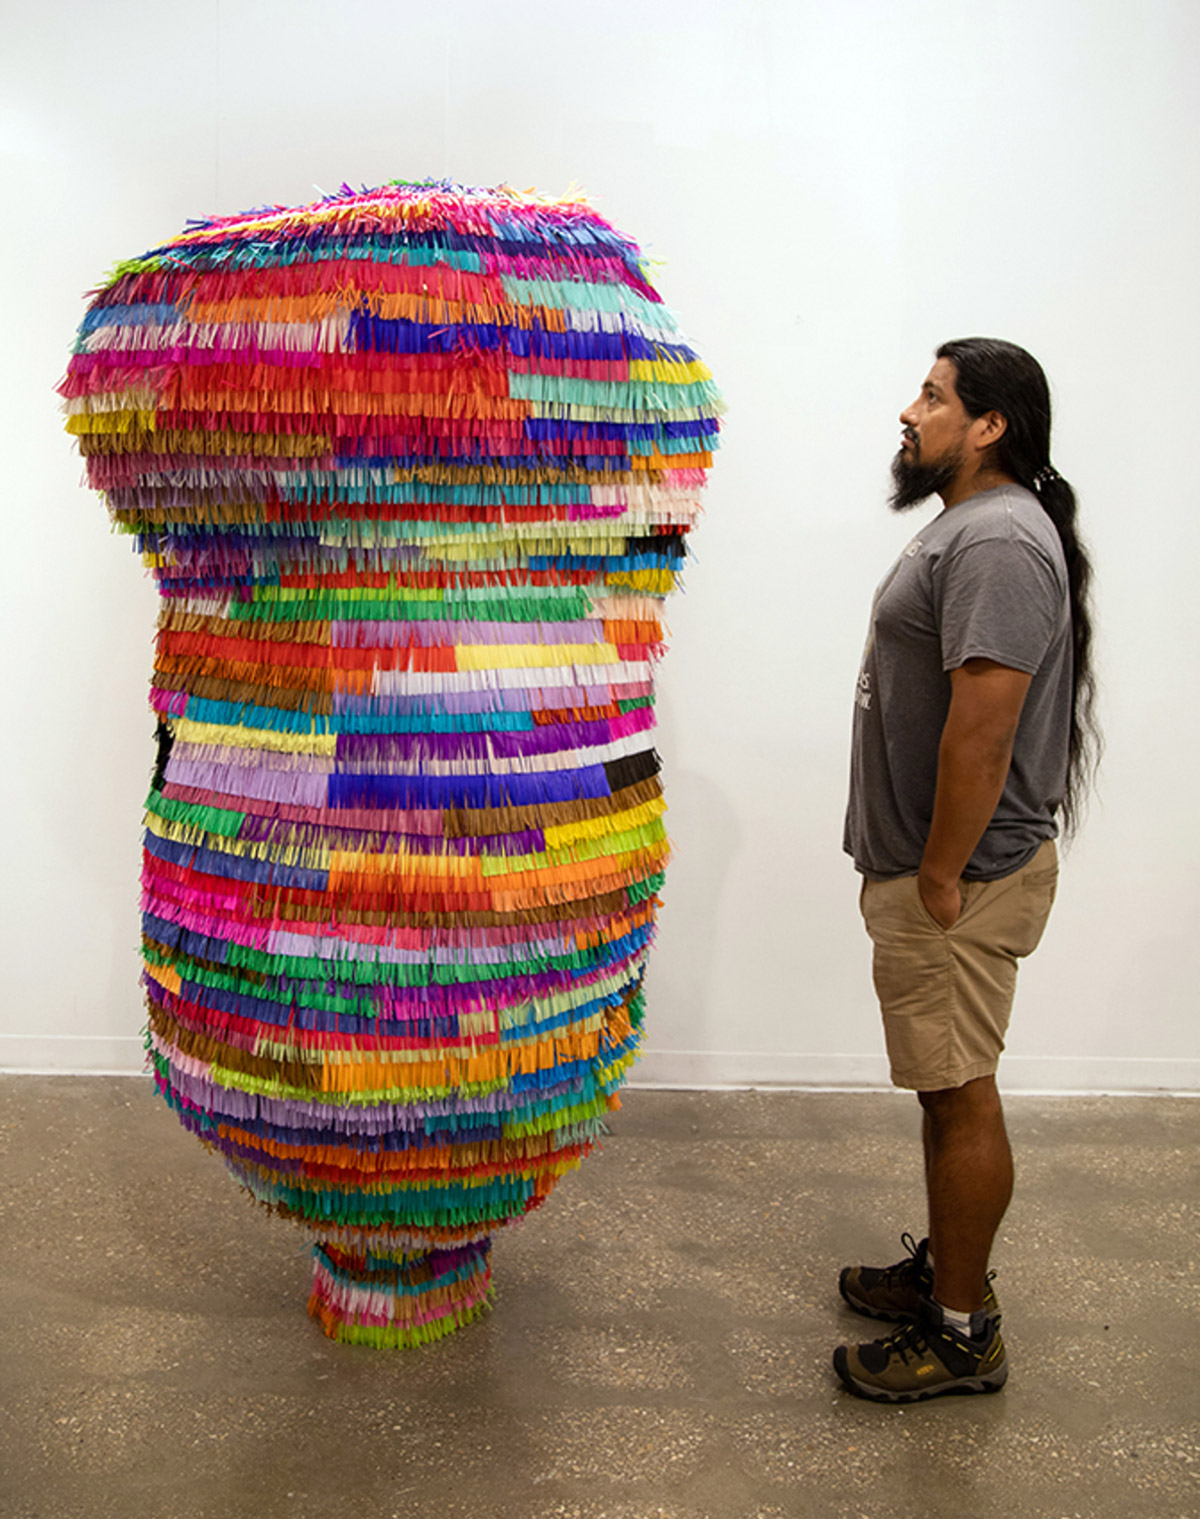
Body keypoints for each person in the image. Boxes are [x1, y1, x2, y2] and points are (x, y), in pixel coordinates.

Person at [834, 338, 1098, 1403]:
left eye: (934, 397)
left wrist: (939, 875)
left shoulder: (994, 543)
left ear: (989, 426)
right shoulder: (981, 528)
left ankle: (961, 1329)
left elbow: (982, 734)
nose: (911, 411)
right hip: (943, 871)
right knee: (945, 1090)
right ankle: (947, 1272)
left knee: (959, 1091)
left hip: (960, 881)